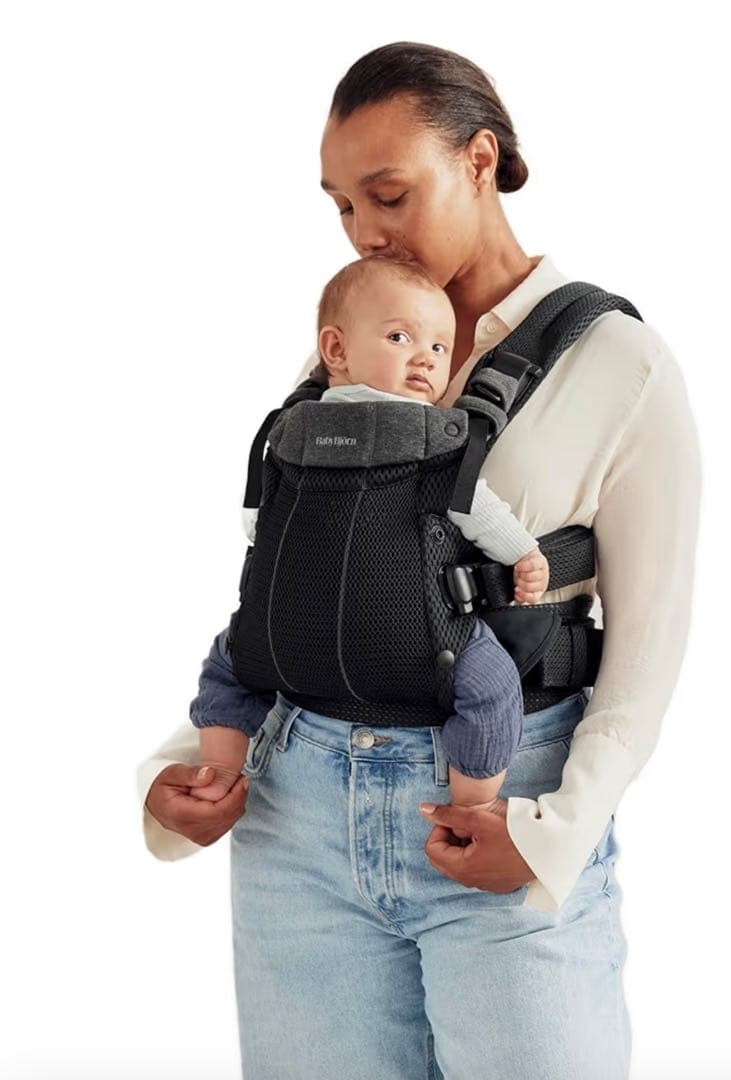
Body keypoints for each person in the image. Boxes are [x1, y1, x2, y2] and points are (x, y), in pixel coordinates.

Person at [137, 41, 701, 1080]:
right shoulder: (348, 351)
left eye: (388, 195)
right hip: (296, 817)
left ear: (478, 160)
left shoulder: (617, 364)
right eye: (342, 207)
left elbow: (646, 654)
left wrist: (553, 833)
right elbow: (306, 587)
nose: (364, 231)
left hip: (496, 804)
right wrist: (190, 765)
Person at [188, 253, 551, 843]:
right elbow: (475, 508)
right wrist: (524, 555)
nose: (424, 358)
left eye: (440, 347)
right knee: (491, 686)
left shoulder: (287, 432)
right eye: (400, 337)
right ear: (335, 349)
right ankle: (473, 806)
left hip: (287, 629)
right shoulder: (439, 436)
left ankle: (220, 770)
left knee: (229, 664)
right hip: (422, 637)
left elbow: (258, 522)